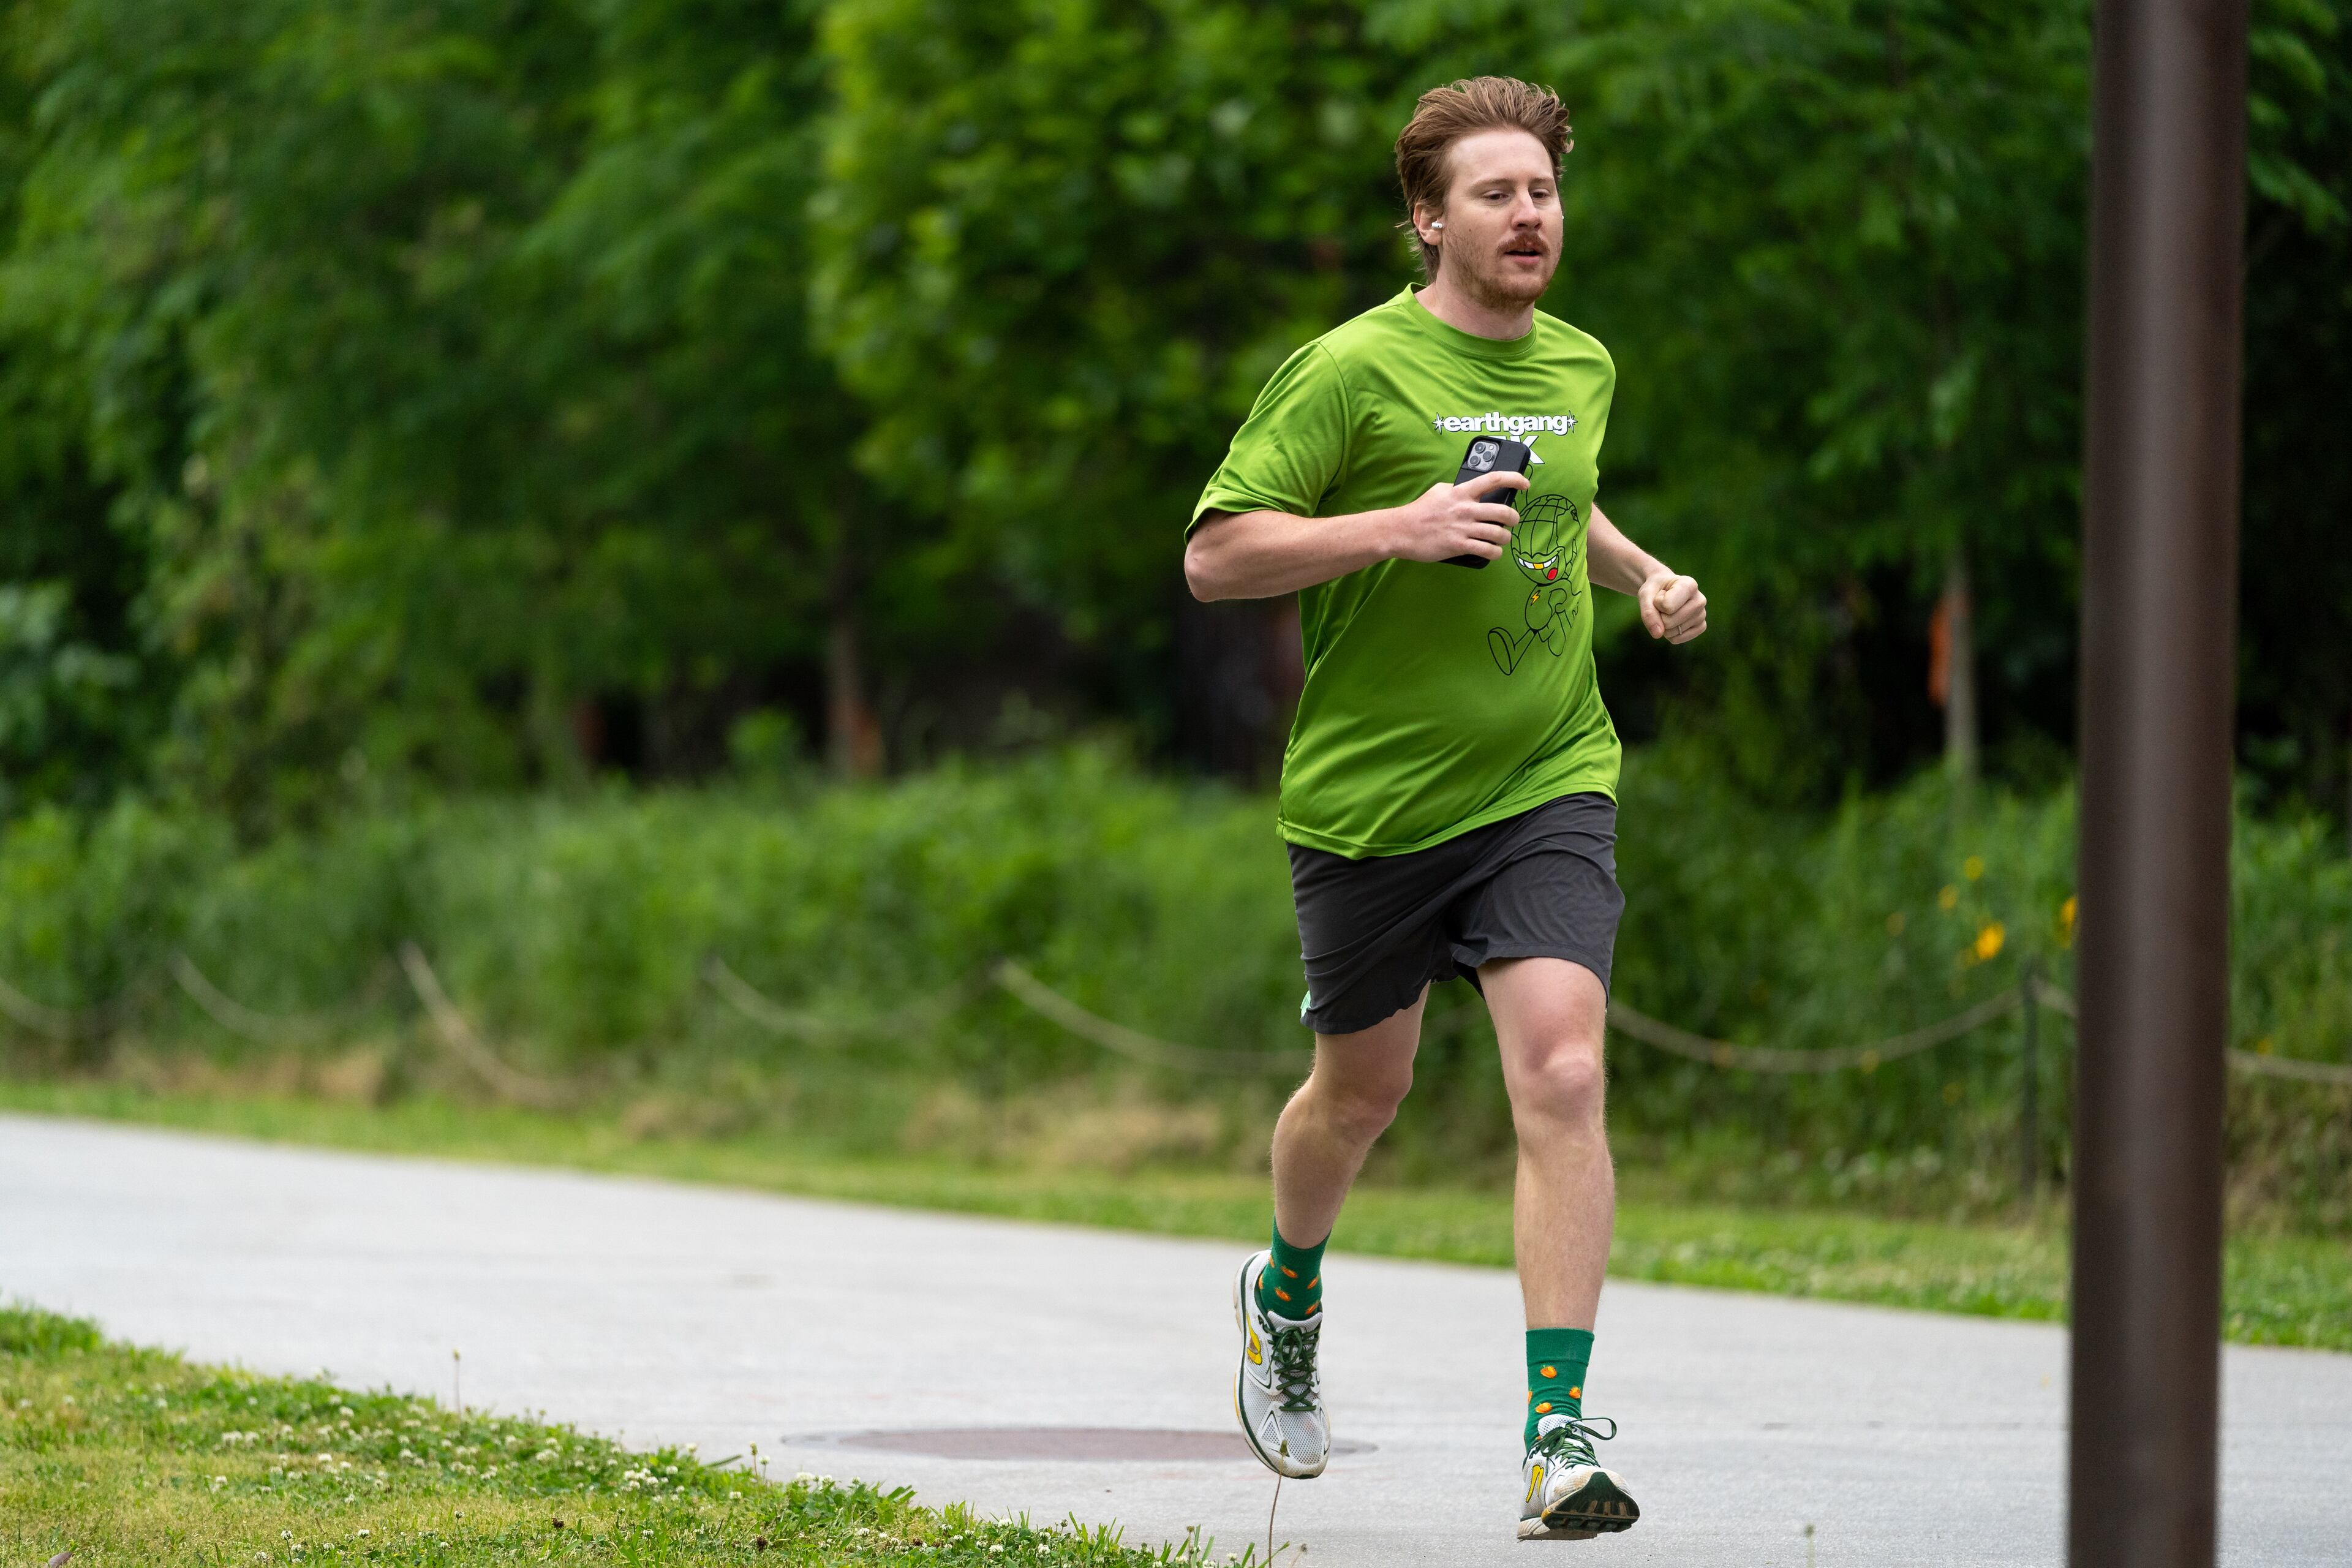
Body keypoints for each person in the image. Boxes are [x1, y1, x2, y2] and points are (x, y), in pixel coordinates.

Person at [1183, 75, 1708, 1542]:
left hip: (1548, 773)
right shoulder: (1348, 371)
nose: (1530, 213)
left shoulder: (1583, 364)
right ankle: (1284, 1288)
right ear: (1429, 218)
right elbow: (1219, 556)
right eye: (1497, 192)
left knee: (1564, 1073)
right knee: (1361, 1097)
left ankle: (1557, 1434)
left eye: (1543, 190)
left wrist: (1643, 575)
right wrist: (1395, 528)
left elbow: (1563, 499)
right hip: (1372, 801)